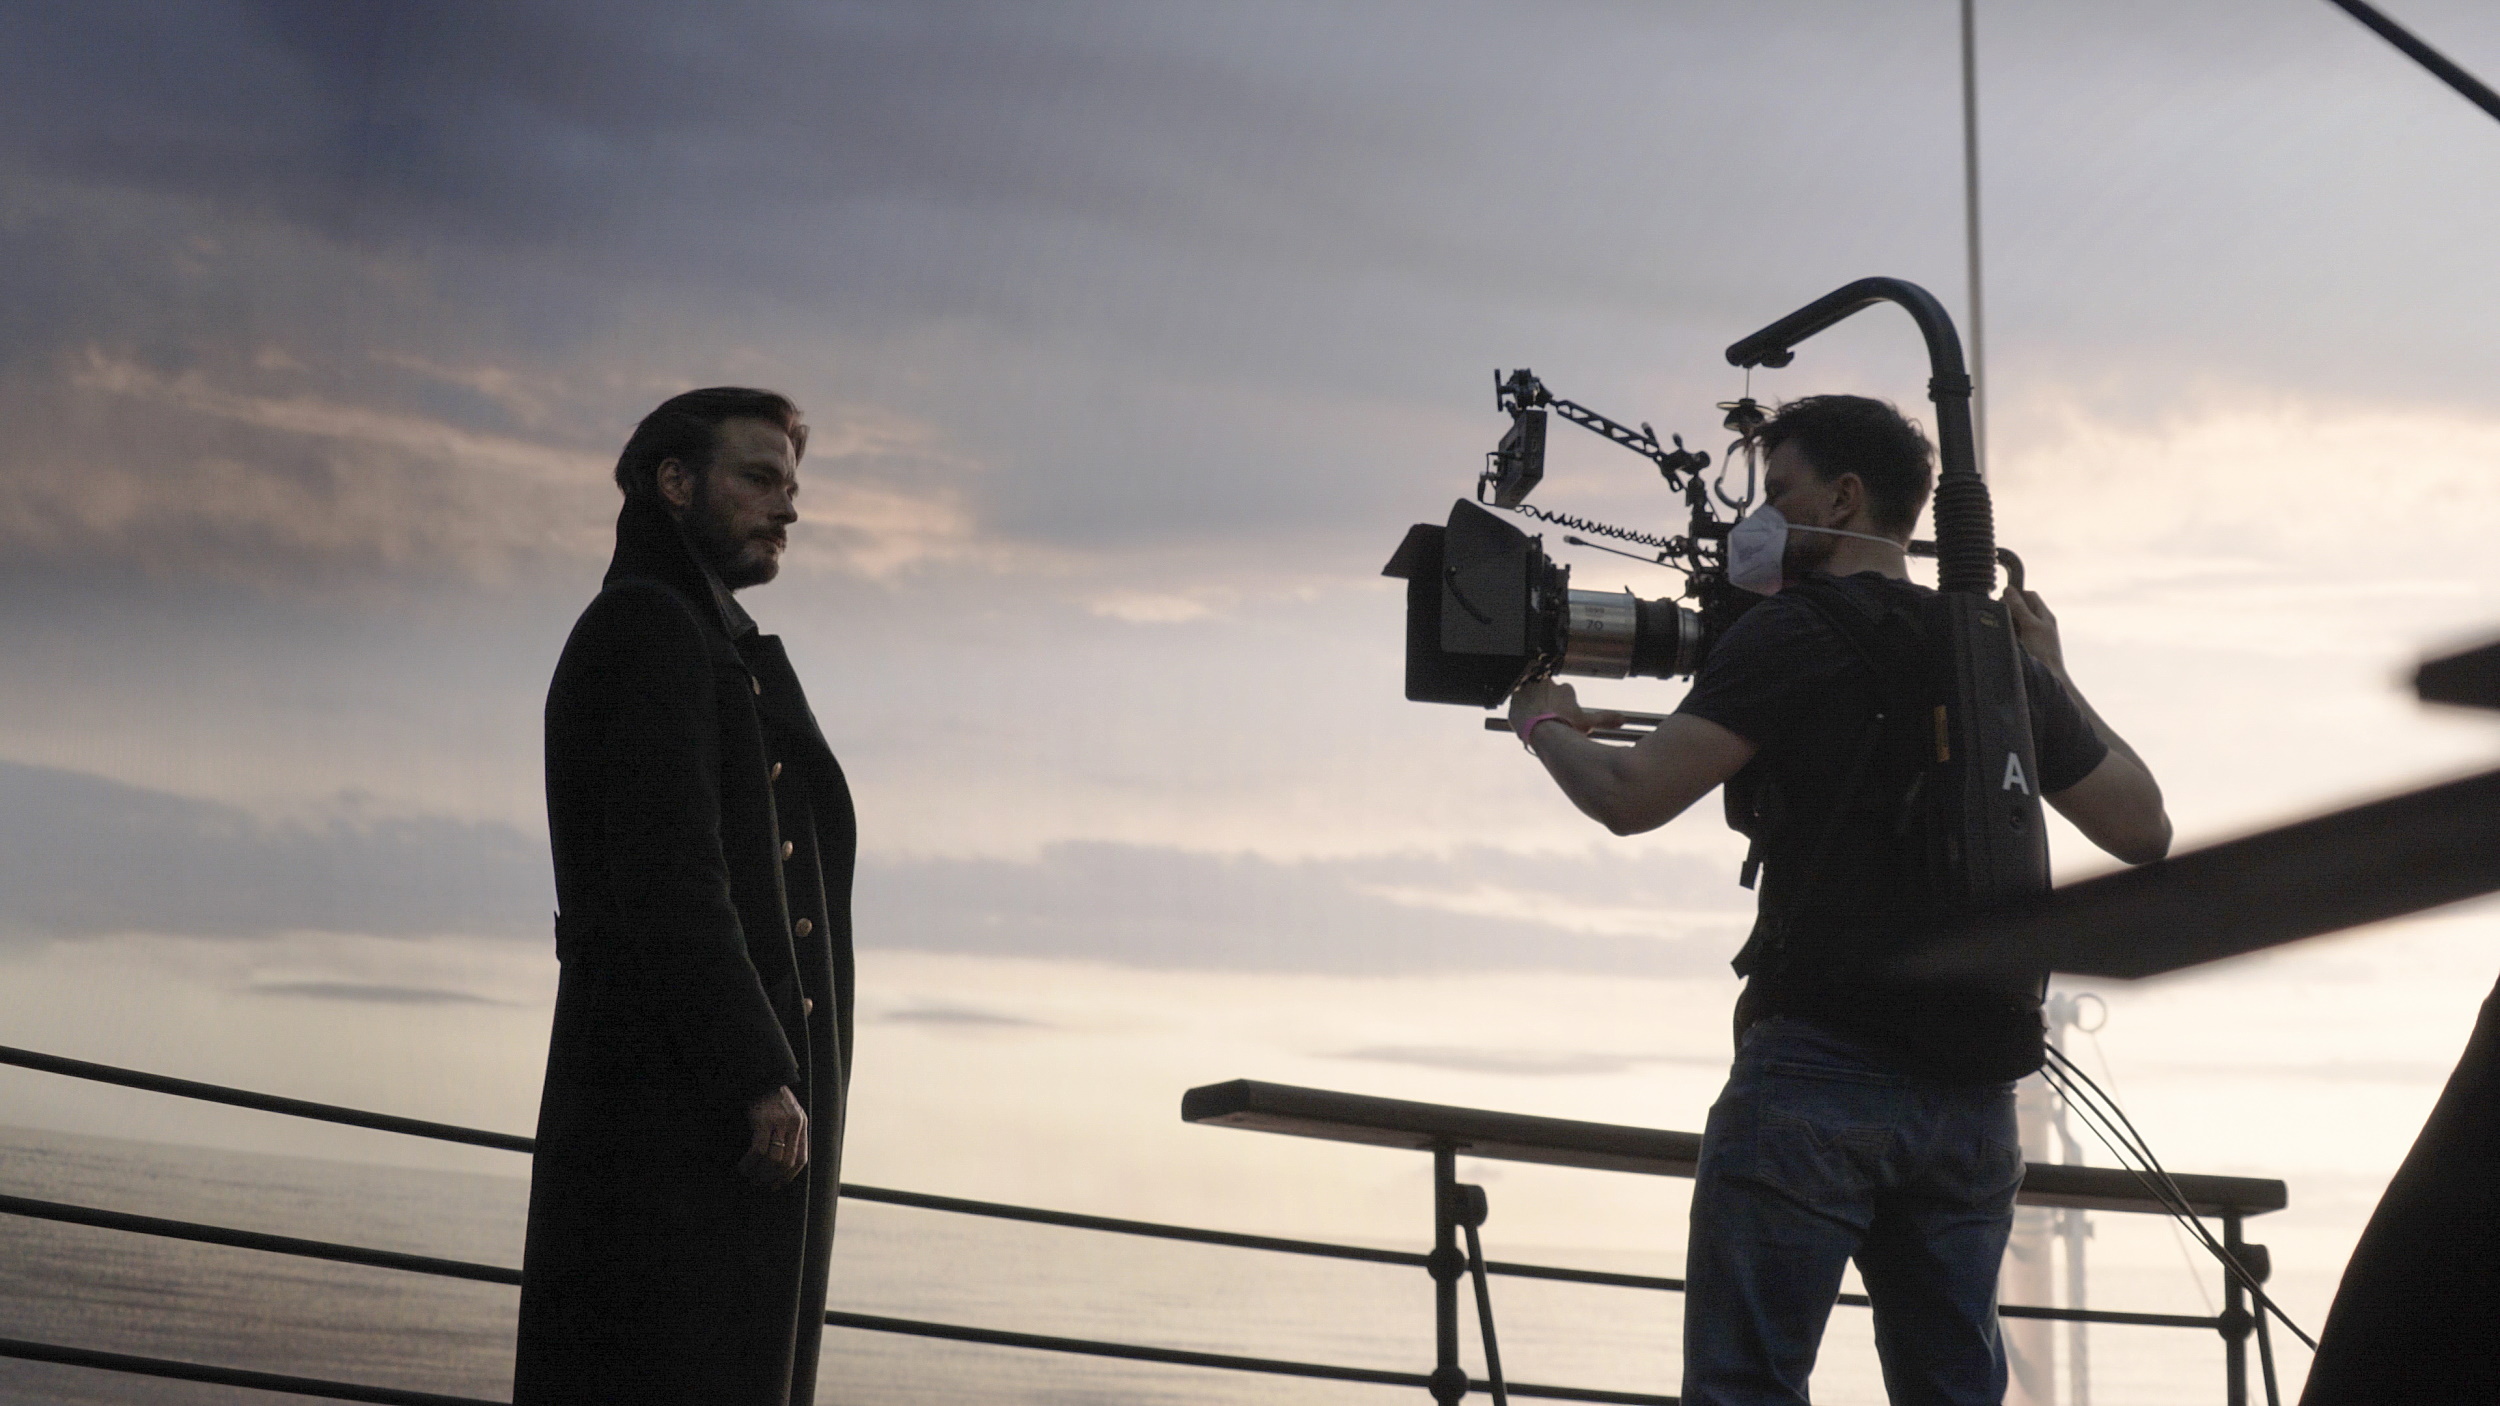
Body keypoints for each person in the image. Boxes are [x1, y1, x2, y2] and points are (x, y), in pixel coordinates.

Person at [1505, 395, 2169, 1406]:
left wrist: (1545, 721)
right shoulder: (1988, 649)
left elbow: (1629, 795)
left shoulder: (1794, 632)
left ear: (1845, 497)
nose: (1760, 516)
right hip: (1972, 1094)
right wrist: (2050, 671)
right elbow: (2142, 825)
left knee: (1745, 1383)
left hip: (1818, 1070)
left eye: (1778, 491)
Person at [514, 387, 856, 1406]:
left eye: (792, 485)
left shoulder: (700, 639)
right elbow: (668, 874)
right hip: (672, 1115)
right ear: (674, 482)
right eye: (758, 477)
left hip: (696, 1113)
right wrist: (758, 1072)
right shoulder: (649, 628)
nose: (786, 505)